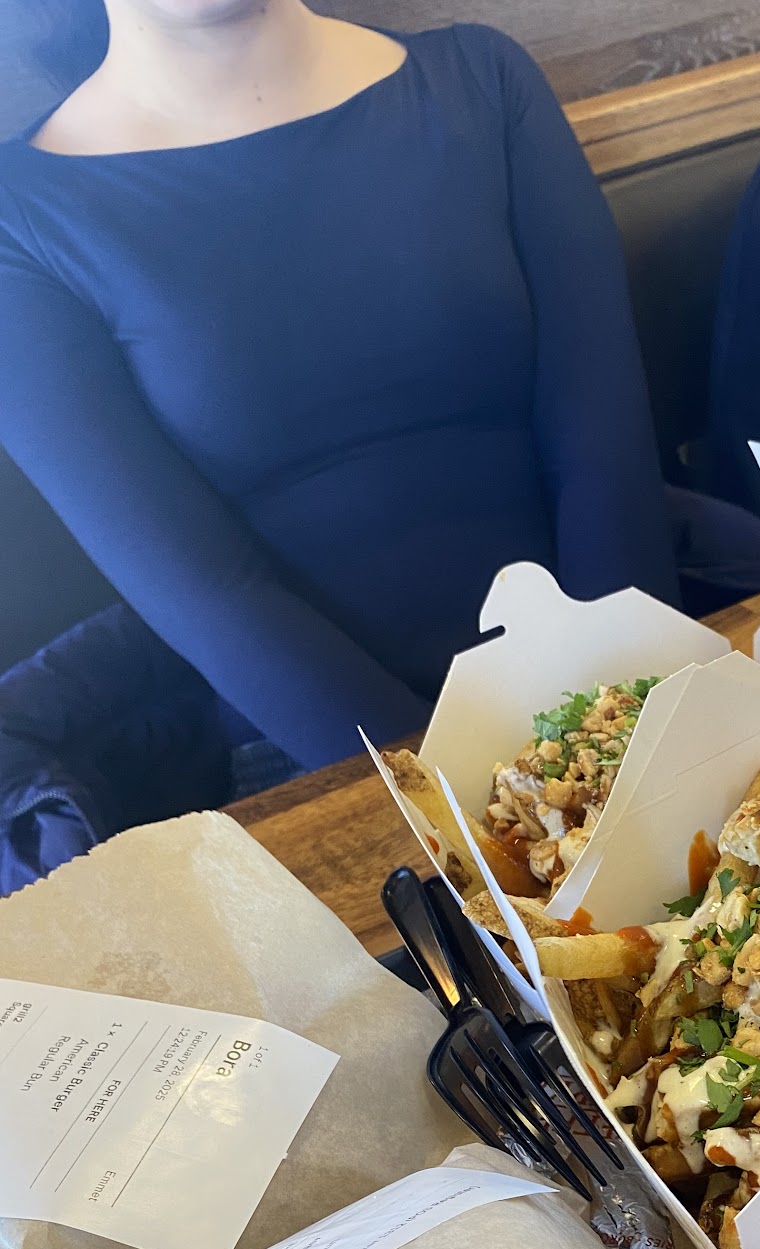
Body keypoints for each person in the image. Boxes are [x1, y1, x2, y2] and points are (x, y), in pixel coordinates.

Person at [0, 0, 686, 836]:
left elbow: (603, 450)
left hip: (613, 684)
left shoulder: (481, 78)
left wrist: (630, 729)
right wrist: (468, 820)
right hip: (326, 756)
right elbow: (208, 594)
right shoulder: (21, 219)